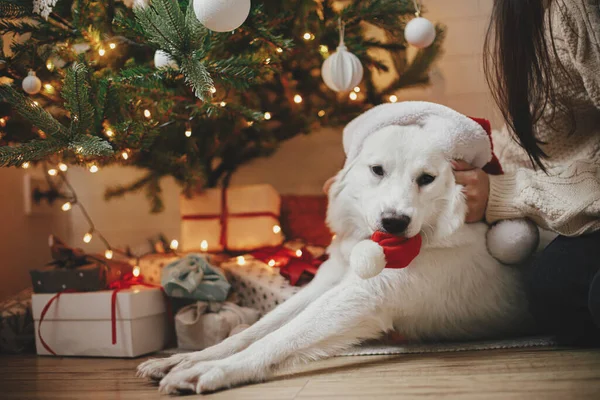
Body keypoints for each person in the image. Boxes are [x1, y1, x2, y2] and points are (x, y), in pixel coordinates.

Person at [323, 0, 600, 346]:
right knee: (553, 284)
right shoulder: (529, 15)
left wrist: (503, 193)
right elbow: (544, 134)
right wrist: (481, 164)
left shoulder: (576, 11)